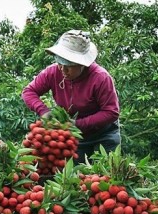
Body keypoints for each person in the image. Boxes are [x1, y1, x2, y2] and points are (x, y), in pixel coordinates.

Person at [22, 29, 120, 164]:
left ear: (82, 64)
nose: (63, 70)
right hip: (75, 137)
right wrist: (43, 111)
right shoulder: (52, 72)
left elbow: (111, 112)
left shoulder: (100, 78)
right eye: (60, 64)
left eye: (68, 66)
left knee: (105, 175)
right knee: (78, 178)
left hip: (104, 135)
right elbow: (29, 92)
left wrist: (78, 124)